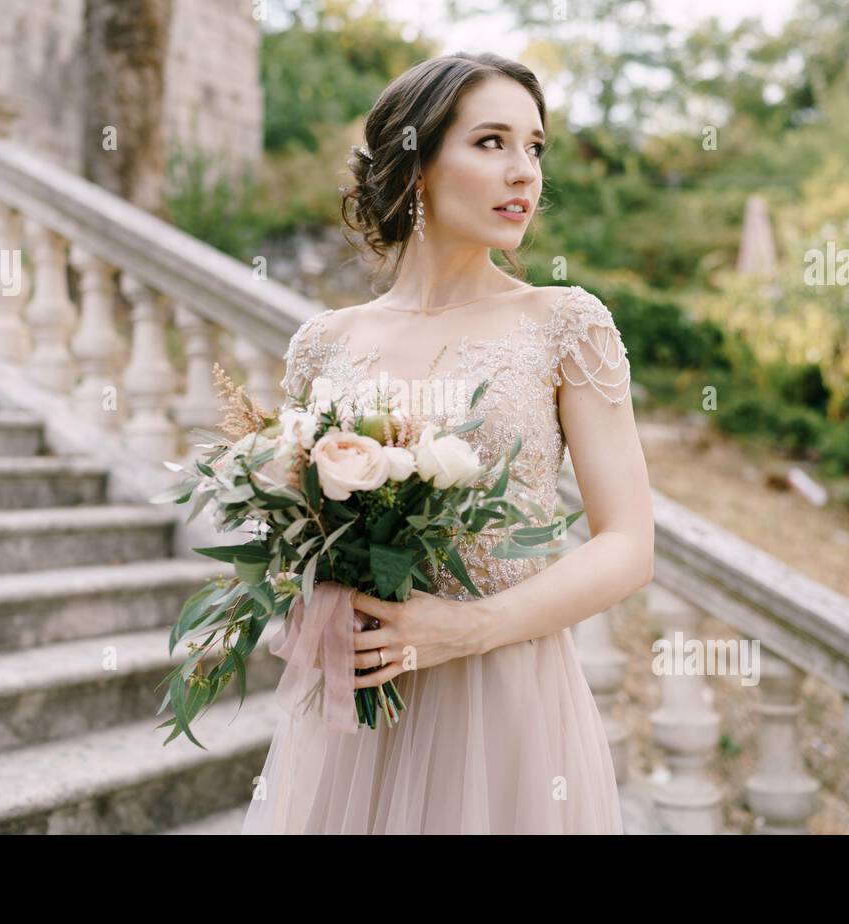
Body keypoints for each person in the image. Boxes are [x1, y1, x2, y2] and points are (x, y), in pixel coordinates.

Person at [240, 51, 654, 834]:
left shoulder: (566, 324)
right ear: (417, 163)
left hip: (506, 692)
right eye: (492, 142)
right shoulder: (324, 342)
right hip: (360, 717)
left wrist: (467, 627)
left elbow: (629, 545)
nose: (523, 172)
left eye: (535, 147)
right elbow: (304, 535)